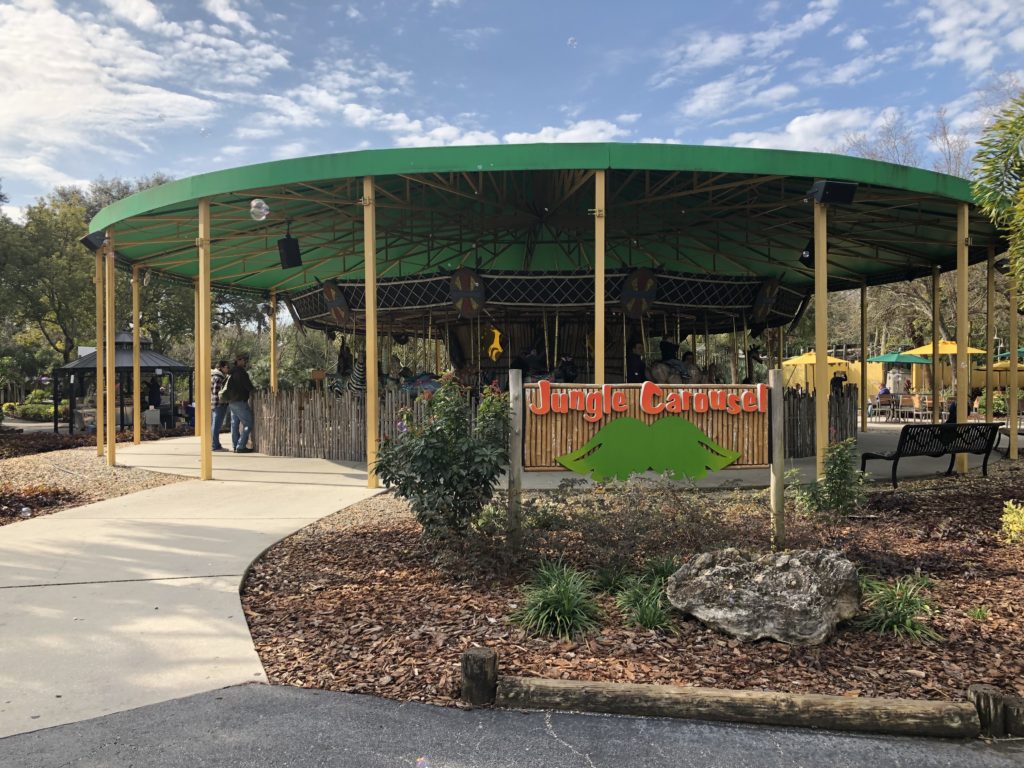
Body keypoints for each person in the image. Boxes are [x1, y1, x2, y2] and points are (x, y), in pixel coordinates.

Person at [223, 353, 255, 453]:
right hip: (239, 401)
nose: (245, 362)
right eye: (244, 360)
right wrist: (254, 390)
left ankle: (235, 445)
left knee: (234, 424)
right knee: (248, 423)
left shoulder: (231, 372)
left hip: (231, 401)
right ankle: (241, 446)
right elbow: (248, 386)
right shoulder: (241, 372)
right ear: (239, 360)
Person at [210, 359, 230, 451]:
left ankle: (215, 444)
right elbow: (215, 392)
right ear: (221, 367)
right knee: (216, 425)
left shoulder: (216, 376)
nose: (228, 369)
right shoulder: (218, 377)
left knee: (215, 425)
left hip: (216, 404)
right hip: (219, 404)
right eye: (227, 367)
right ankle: (215, 445)